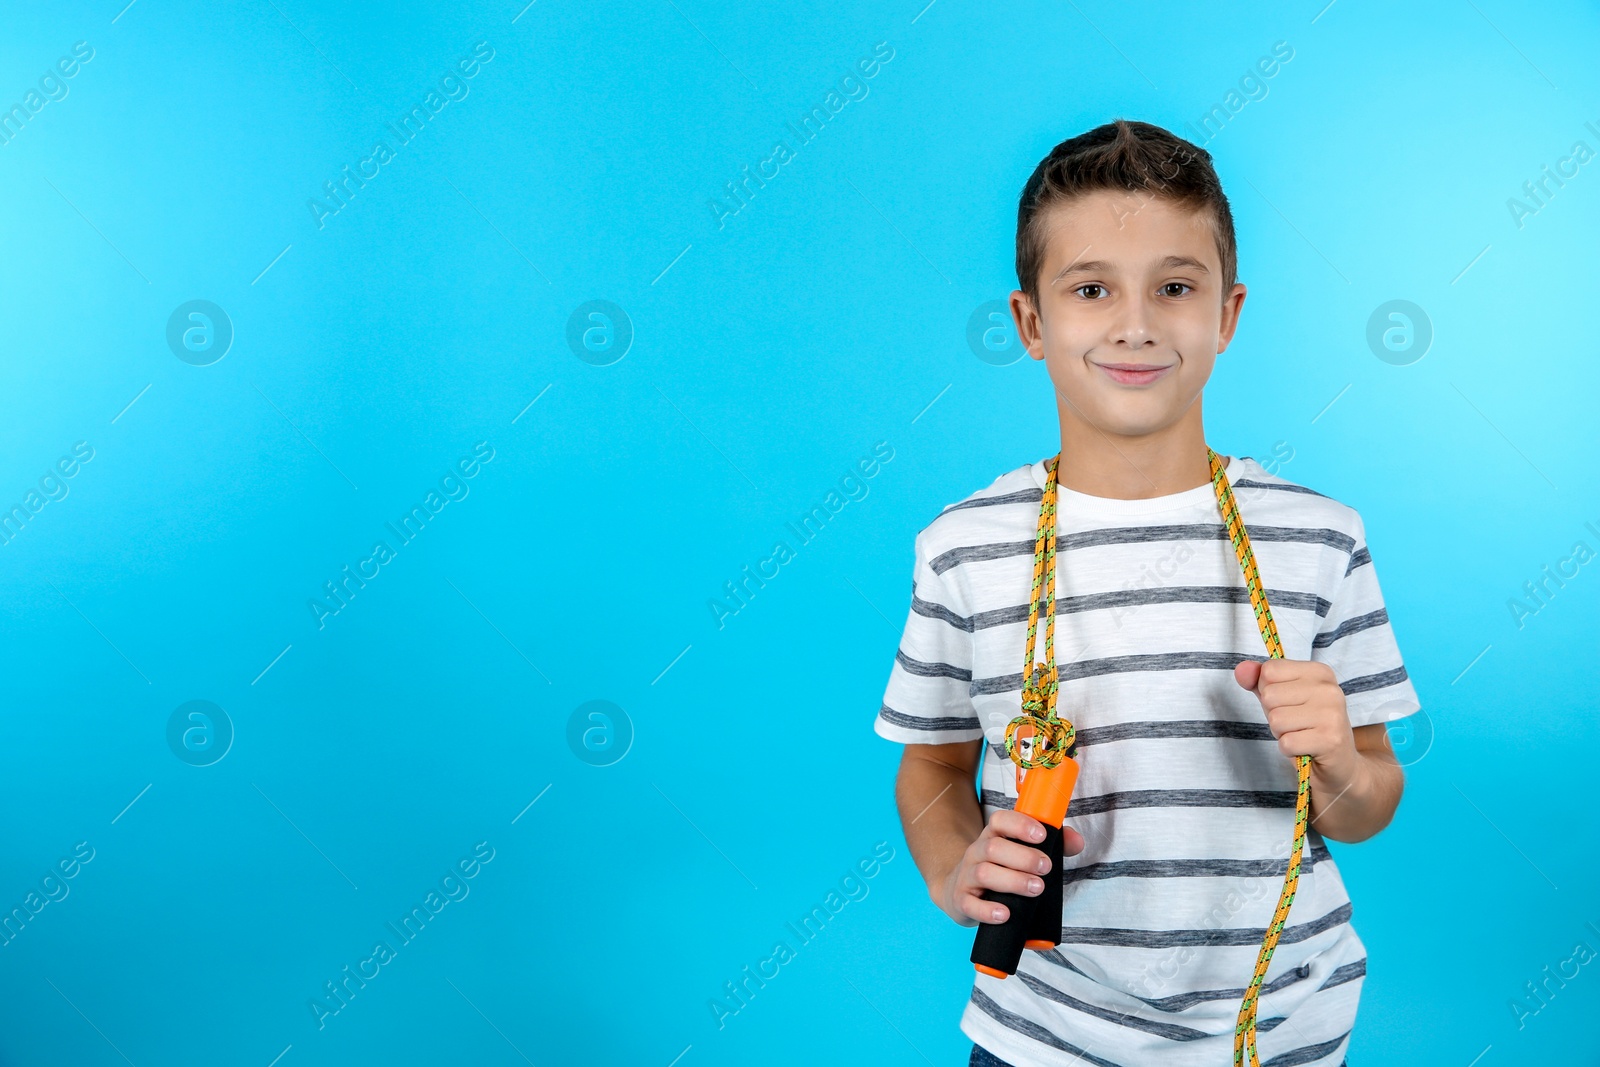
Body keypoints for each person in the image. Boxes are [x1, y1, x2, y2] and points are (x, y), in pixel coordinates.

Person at [874, 119, 1420, 1067]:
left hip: (1282, 1035)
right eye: (1091, 289)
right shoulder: (966, 548)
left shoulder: (1320, 540)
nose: (1135, 323)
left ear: (1228, 314)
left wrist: (1334, 754)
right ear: (1032, 323)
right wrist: (952, 864)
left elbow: (1368, 806)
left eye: (1175, 287)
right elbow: (930, 771)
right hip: (1044, 1037)